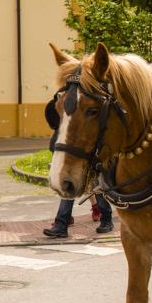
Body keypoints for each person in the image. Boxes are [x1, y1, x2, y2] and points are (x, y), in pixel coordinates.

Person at [42, 98, 114, 238]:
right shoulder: (66, 99)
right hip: (72, 153)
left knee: (96, 186)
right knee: (68, 186)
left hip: (89, 153)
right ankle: (62, 224)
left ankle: (106, 219)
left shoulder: (85, 102)